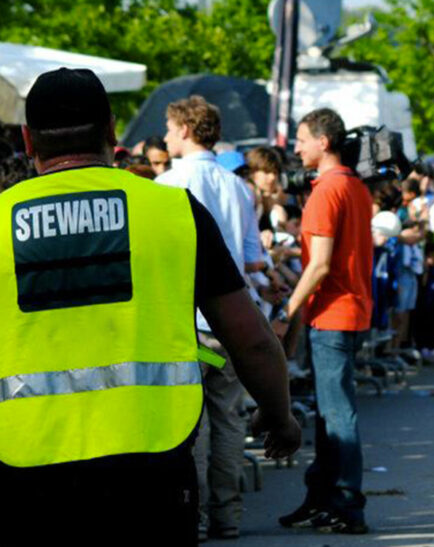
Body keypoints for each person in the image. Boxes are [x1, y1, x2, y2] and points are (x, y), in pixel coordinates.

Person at [0, 67, 300, 546]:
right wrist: (279, 416)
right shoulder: (173, 212)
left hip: (27, 465)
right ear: (112, 130)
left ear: (28, 140)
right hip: (151, 466)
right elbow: (249, 338)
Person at [156, 95, 266, 541]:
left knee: (192, 425)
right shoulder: (237, 186)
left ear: (184, 129)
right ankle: (228, 515)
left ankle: (197, 516)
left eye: (168, 127)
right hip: (232, 324)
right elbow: (253, 258)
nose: (165, 136)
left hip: (188, 327)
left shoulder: (165, 185)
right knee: (228, 420)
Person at [277, 108, 373, 534]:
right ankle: (322, 496)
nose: (296, 148)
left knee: (337, 414)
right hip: (350, 311)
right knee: (329, 412)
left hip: (333, 314)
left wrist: (286, 313)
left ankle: (348, 503)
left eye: (301, 139)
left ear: (324, 142)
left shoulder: (326, 192)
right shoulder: (354, 186)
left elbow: (318, 266)